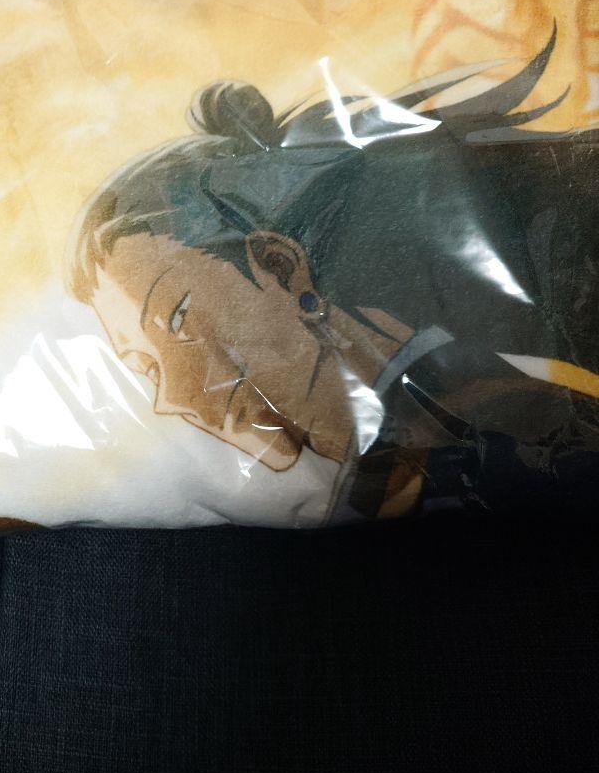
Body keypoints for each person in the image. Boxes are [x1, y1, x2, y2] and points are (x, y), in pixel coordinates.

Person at [67, 32, 599, 520]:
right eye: (145, 368)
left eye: (178, 319)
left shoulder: (508, 420)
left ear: (279, 266)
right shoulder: (376, 487)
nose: (169, 399)